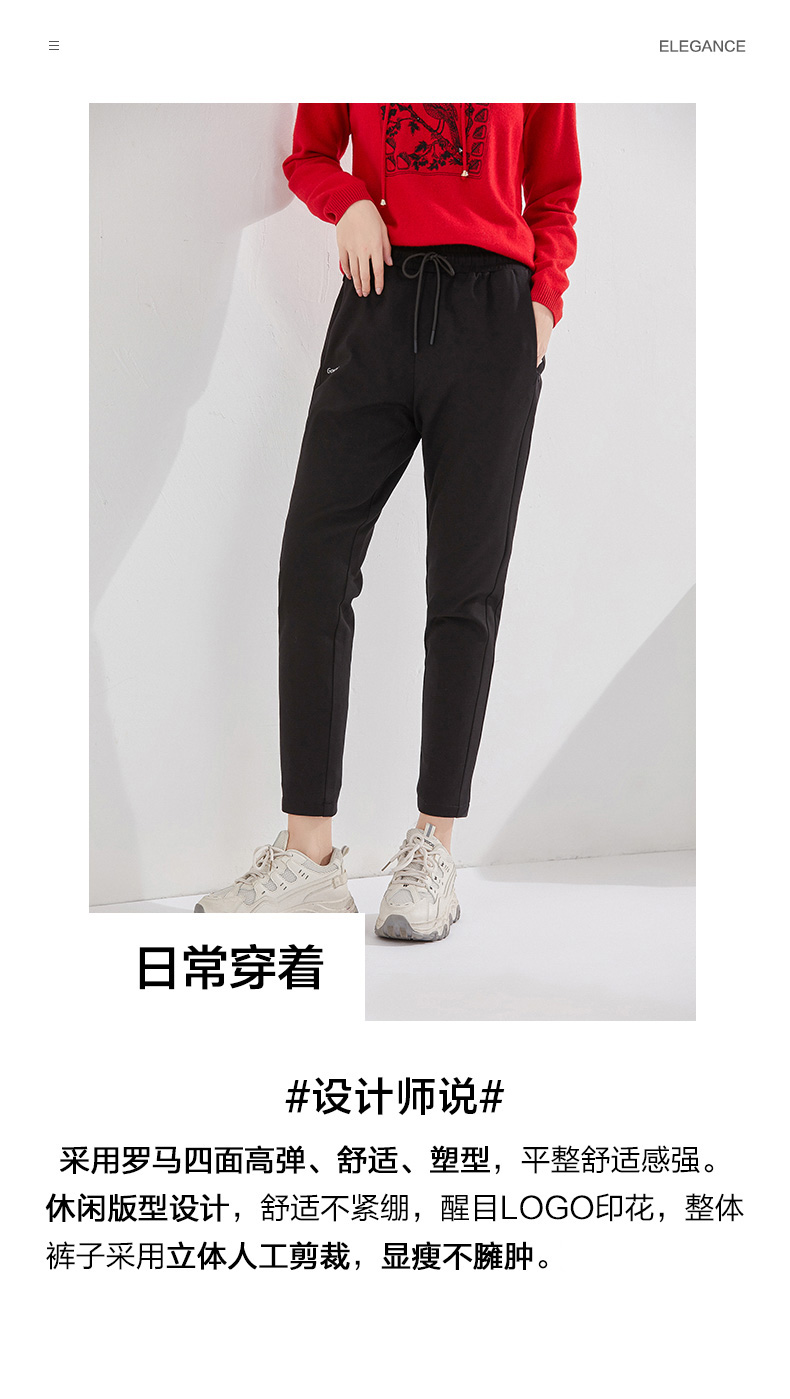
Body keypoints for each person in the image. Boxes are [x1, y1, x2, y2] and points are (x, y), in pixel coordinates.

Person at [195, 103, 582, 937]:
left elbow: (555, 192)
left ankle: (433, 849)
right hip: (377, 304)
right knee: (313, 566)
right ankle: (309, 858)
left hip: (493, 320)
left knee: (464, 588)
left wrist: (543, 304)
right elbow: (309, 154)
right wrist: (350, 202)